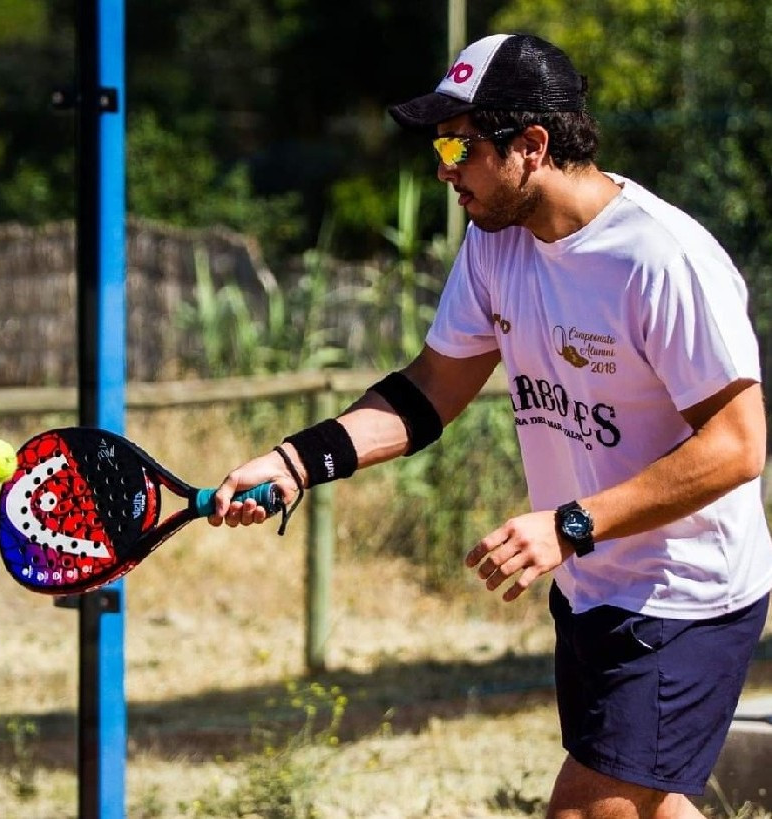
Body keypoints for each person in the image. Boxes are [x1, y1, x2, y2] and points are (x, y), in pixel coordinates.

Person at [208, 33, 772, 819]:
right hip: (590, 586)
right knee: (647, 809)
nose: (442, 168)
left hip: (683, 592)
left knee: (586, 809)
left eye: (458, 145)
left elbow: (738, 446)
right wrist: (295, 462)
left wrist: (571, 524)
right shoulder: (493, 246)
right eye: (439, 145)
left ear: (531, 145)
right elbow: (428, 392)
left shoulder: (660, 259)